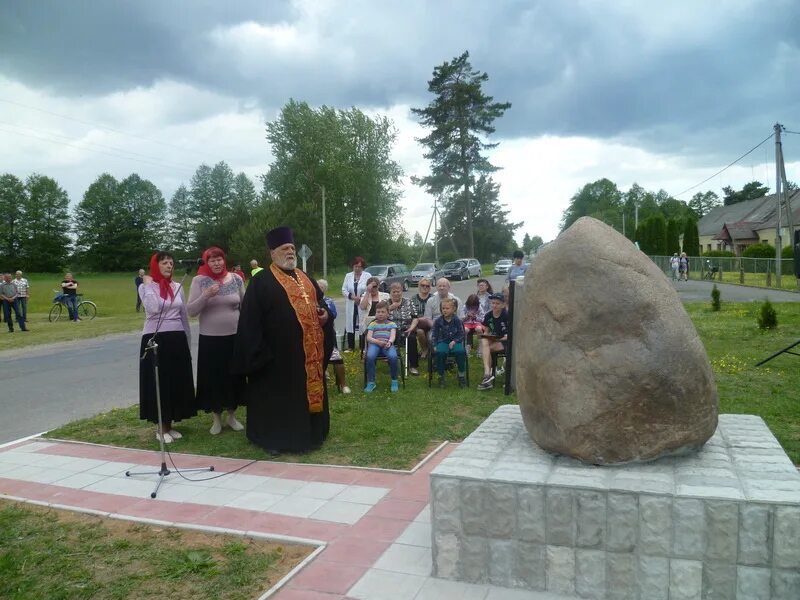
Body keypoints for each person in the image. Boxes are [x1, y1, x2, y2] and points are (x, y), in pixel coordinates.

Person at [232, 227, 334, 456]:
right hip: (275, 358)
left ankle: (312, 434)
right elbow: (249, 322)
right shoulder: (261, 282)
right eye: (284, 249)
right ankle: (273, 439)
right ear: (272, 253)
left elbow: (323, 304)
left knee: (305, 397)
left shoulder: (306, 278)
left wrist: (325, 314)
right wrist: (260, 355)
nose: (290, 252)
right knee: (276, 400)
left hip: (306, 357)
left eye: (292, 248)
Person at [187, 246, 246, 435]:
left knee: (233, 377)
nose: (217, 263)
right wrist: (205, 296)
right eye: (212, 260)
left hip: (234, 338)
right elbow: (191, 311)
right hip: (210, 340)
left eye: (219, 259)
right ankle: (216, 419)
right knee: (214, 378)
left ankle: (231, 416)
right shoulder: (199, 281)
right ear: (206, 262)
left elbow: (245, 306)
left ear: (224, 260)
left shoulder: (236, 279)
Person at [138, 252, 196, 443]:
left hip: (176, 338)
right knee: (159, 382)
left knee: (175, 381)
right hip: (156, 338)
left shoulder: (178, 286)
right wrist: (146, 284)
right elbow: (153, 308)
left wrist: (187, 342)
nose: (169, 266)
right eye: (164, 263)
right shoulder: (146, 287)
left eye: (171, 263)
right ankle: (160, 427)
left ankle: (170, 425)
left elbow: (183, 316)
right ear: (156, 265)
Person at [318, 278, 351, 394]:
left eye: (321, 288)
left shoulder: (328, 301)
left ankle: (343, 384)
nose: (319, 289)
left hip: (327, 338)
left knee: (338, 358)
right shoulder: (309, 301)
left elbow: (333, 315)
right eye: (317, 287)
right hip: (313, 344)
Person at [364, 301, 399, 393]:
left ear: (388, 313)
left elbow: (393, 335)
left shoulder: (391, 324)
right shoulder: (373, 324)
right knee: (370, 357)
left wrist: (390, 342)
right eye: (378, 312)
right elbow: (368, 337)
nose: (380, 314)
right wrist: (378, 342)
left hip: (387, 344)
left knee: (393, 357)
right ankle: (371, 382)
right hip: (375, 344)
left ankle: (394, 380)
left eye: (383, 312)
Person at [431, 297, 466, 388]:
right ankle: (441, 375)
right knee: (440, 352)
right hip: (442, 342)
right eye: (443, 308)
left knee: (460, 352)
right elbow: (434, 334)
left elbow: (461, 333)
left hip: (455, 342)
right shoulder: (438, 321)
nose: (445, 310)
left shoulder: (457, 320)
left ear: (453, 309)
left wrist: (455, 341)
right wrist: (434, 345)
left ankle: (461, 374)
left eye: (447, 308)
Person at [477, 293, 510, 391]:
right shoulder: (488, 315)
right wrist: (487, 336)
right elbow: (486, 331)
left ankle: (487, 375)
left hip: (506, 342)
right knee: (484, 340)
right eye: (493, 303)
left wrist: (497, 339)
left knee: (486, 350)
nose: (494, 305)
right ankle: (488, 374)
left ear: (503, 305)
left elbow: (509, 335)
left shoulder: (507, 315)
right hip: (495, 339)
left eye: (497, 303)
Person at [388, 281, 420, 375]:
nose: (396, 293)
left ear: (402, 291)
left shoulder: (408, 302)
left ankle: (413, 366)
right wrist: (390, 308)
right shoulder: (385, 303)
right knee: (391, 340)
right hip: (391, 331)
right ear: (390, 293)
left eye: (398, 291)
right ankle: (393, 362)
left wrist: (412, 327)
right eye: (394, 292)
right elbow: (379, 317)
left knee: (412, 339)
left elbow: (415, 318)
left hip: (406, 328)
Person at [341, 257, 371, 352]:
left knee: (362, 323)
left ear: (362, 267)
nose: (357, 268)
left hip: (362, 303)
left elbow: (369, 289)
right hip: (351, 303)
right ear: (353, 266)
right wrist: (353, 297)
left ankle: (363, 346)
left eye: (359, 266)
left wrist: (360, 298)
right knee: (351, 324)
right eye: (355, 266)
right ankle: (351, 347)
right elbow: (344, 289)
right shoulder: (348, 276)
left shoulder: (367, 276)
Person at [410, 278, 434, 362]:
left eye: (427, 286)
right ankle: (424, 349)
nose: (425, 287)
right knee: (420, 332)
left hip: (430, 322)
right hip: (418, 324)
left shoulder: (433, 298)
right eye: (422, 285)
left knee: (429, 332)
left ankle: (431, 349)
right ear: (419, 286)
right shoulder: (413, 298)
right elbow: (412, 314)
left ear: (430, 287)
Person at [359, 276, 390, 340]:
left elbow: (388, 310)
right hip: (368, 322)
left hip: (382, 322)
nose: (373, 289)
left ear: (378, 286)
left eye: (375, 287)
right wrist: (367, 292)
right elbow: (362, 307)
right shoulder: (364, 295)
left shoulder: (385, 296)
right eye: (371, 287)